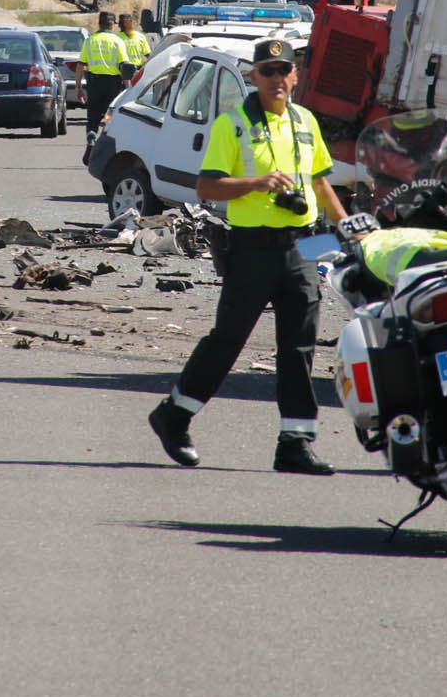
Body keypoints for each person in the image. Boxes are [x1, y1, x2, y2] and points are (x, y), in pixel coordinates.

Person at [149, 37, 348, 475]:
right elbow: (207, 188)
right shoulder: (232, 124)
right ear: (253, 77)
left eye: (285, 70)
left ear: (296, 76)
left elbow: (319, 182)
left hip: (301, 246)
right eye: (268, 71)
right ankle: (174, 415)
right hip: (252, 250)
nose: (277, 78)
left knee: (298, 347)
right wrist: (255, 184)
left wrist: (347, 226)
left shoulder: (305, 121)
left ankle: (295, 443)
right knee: (227, 341)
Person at [79, 11, 126, 151]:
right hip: (113, 85)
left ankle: (92, 134)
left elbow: (80, 65)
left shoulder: (90, 40)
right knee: (110, 117)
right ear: (112, 25)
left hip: (94, 83)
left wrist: (78, 88)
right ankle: (105, 146)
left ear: (99, 24)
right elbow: (125, 67)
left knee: (93, 117)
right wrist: (129, 89)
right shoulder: (118, 41)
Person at [117, 12, 150, 83]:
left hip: (122, 72)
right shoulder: (140, 36)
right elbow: (148, 54)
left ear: (119, 25)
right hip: (137, 72)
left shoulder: (116, 38)